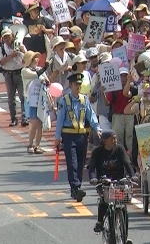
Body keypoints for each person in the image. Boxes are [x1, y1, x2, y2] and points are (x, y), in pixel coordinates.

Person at [55, 73, 101, 202]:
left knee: (81, 162)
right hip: (69, 135)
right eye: (76, 84)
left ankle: (77, 188)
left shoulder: (84, 99)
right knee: (72, 162)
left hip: (82, 135)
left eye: (80, 84)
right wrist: (57, 137)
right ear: (70, 85)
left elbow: (90, 116)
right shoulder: (65, 101)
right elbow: (60, 120)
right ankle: (75, 187)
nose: (78, 87)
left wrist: (97, 128)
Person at [88, 130, 134, 244]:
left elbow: (126, 163)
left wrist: (132, 175)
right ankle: (100, 221)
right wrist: (93, 178)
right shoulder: (97, 152)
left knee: (123, 208)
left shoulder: (119, 149)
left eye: (115, 138)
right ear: (104, 140)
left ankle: (124, 236)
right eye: (112, 138)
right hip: (104, 182)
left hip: (119, 181)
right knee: (104, 199)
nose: (115, 140)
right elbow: (92, 167)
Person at [0, 28, 27, 127]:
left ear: (12, 36)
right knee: (11, 98)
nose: (7, 38)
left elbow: (28, 59)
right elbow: (1, 63)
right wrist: (12, 56)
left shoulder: (19, 45)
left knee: (23, 96)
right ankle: (13, 118)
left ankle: (24, 118)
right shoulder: (1, 49)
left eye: (8, 36)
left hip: (20, 72)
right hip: (8, 74)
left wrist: (23, 52)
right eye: (5, 37)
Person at [22, 51, 50, 154]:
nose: (37, 60)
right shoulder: (25, 70)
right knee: (33, 123)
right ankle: (30, 144)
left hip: (40, 99)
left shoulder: (40, 69)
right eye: (35, 58)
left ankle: (37, 145)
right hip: (31, 100)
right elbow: (34, 75)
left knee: (40, 123)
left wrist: (46, 82)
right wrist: (45, 68)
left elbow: (47, 81)